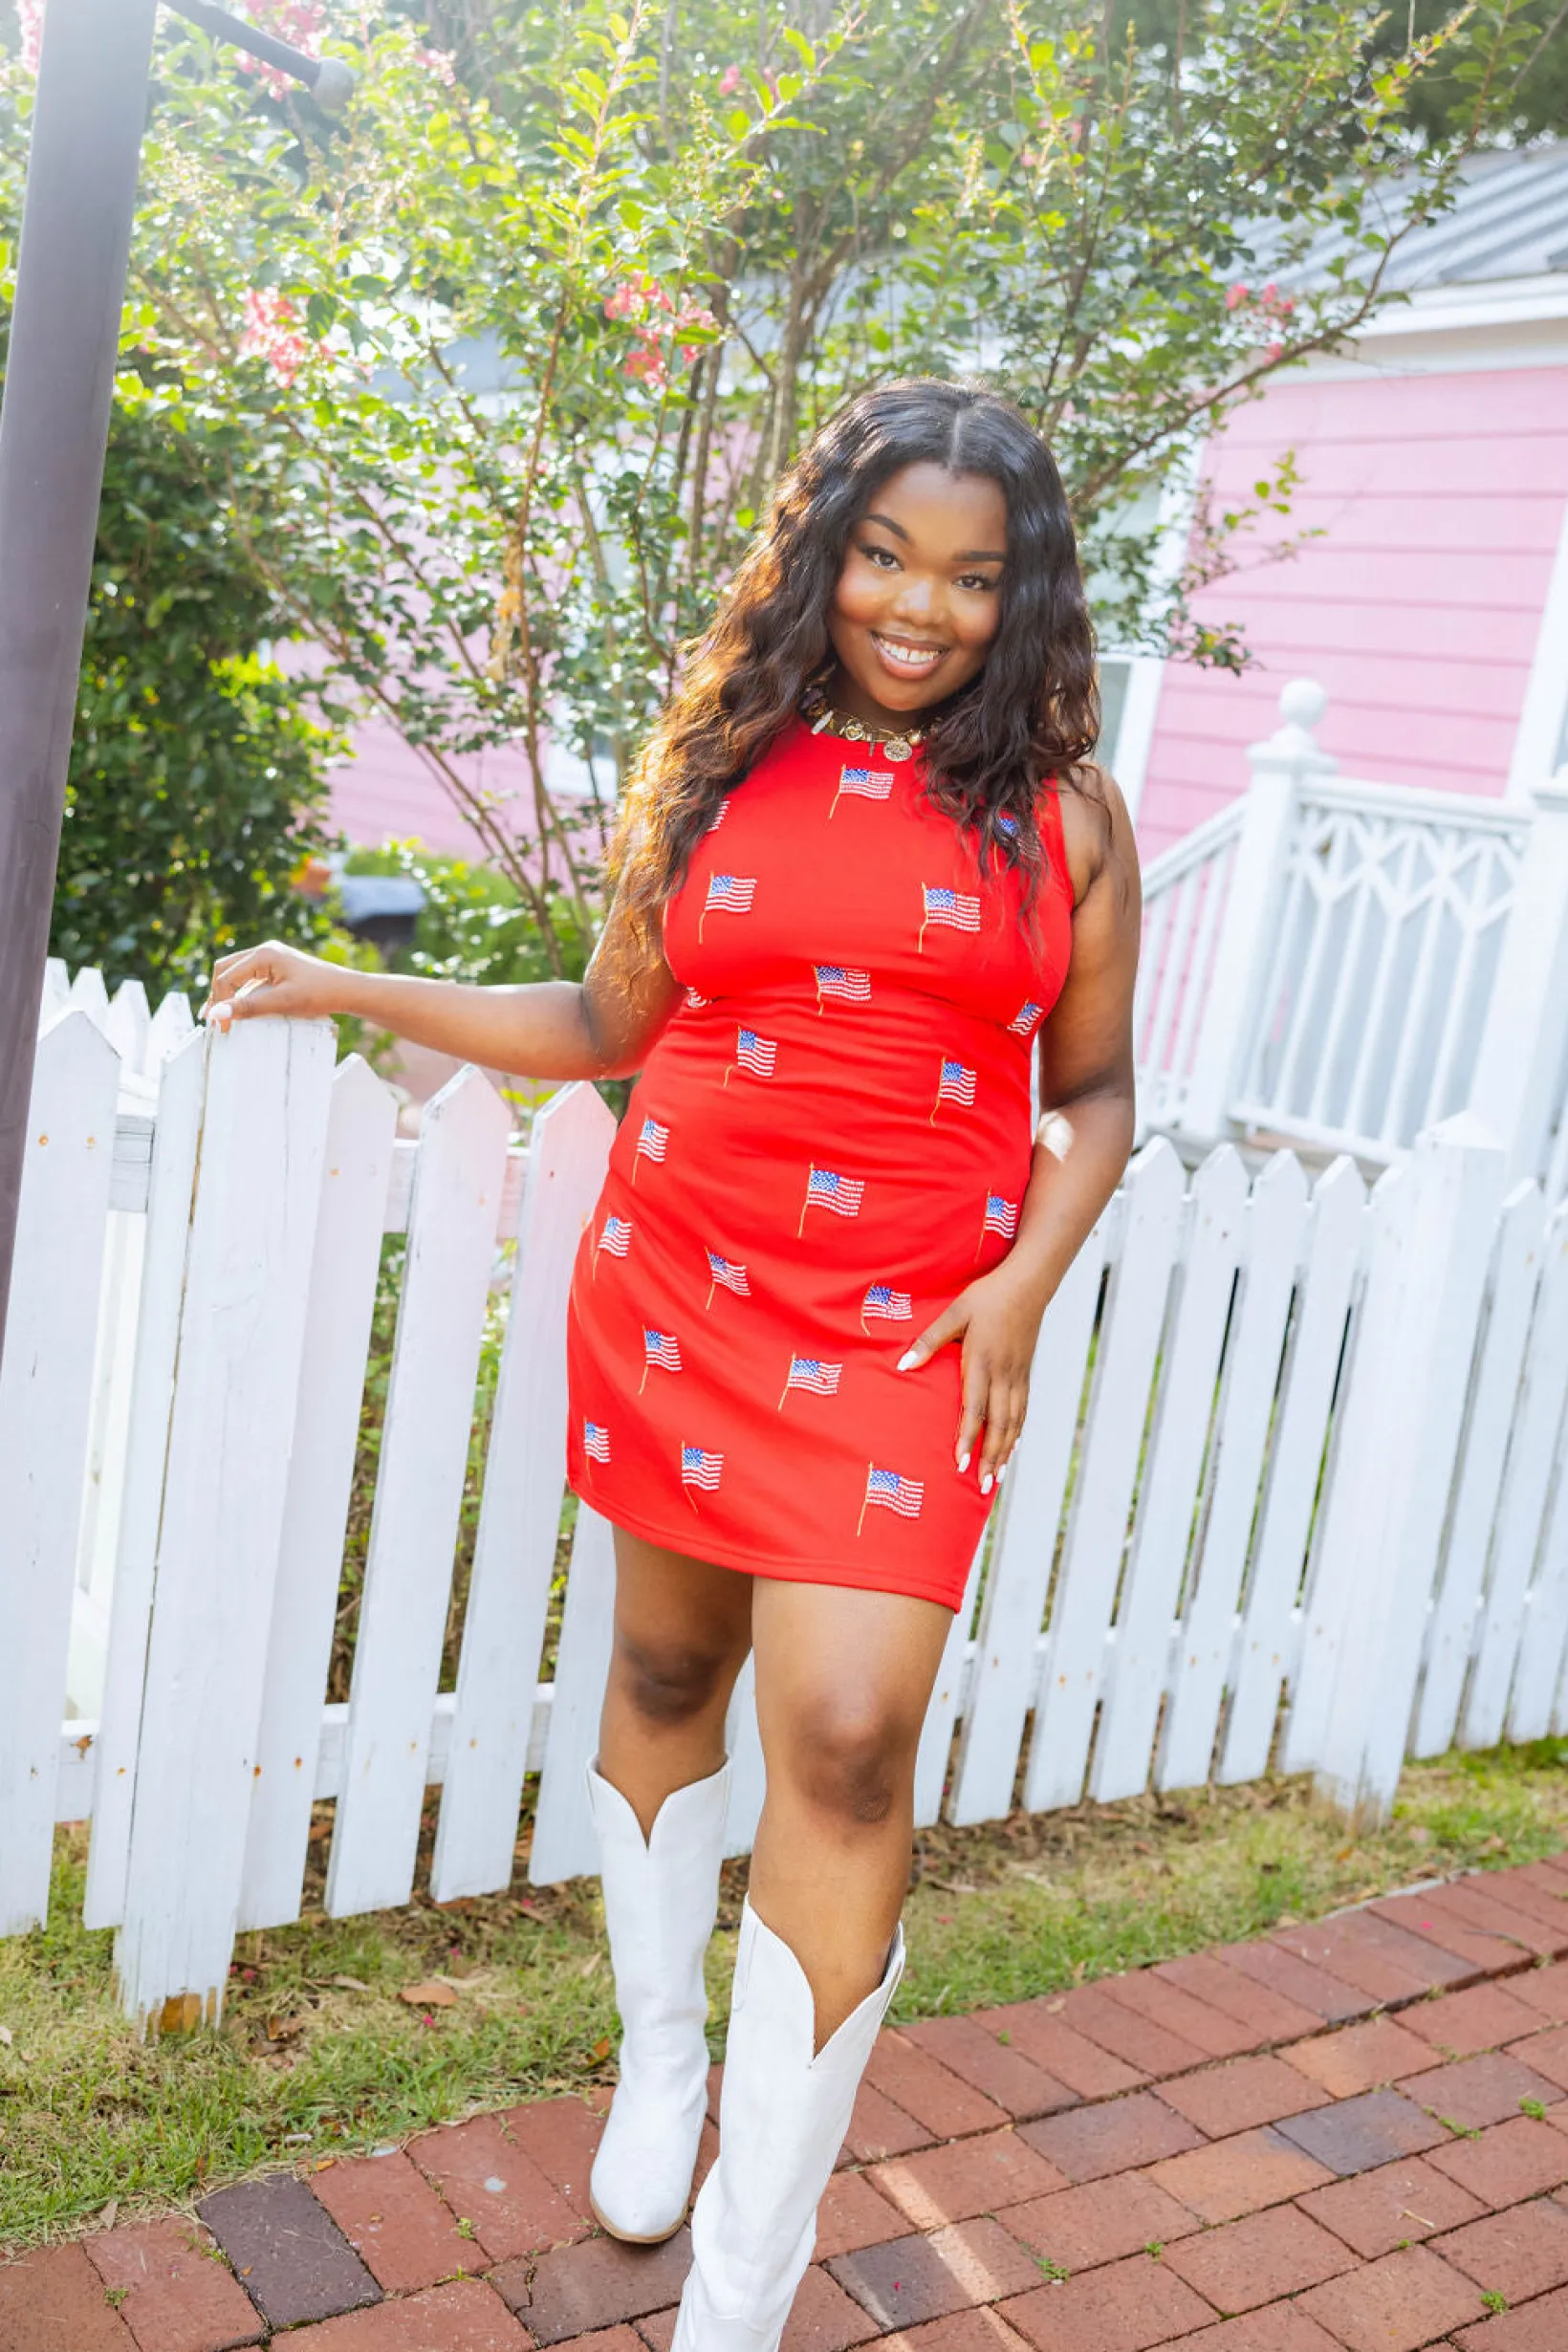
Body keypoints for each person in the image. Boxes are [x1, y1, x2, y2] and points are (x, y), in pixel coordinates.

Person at [204, 377, 1141, 2352]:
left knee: (851, 1733)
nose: (918, 604)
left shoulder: (1062, 817)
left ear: (1022, 597)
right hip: (686, 1280)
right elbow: (606, 1014)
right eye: (885, 552)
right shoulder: (719, 763)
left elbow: (1101, 1090)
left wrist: (1023, 1285)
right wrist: (341, 978)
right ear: (826, 552)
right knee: (656, 1668)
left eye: (972, 575)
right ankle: (658, 2061)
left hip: (906, 1323)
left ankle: (742, 2277)